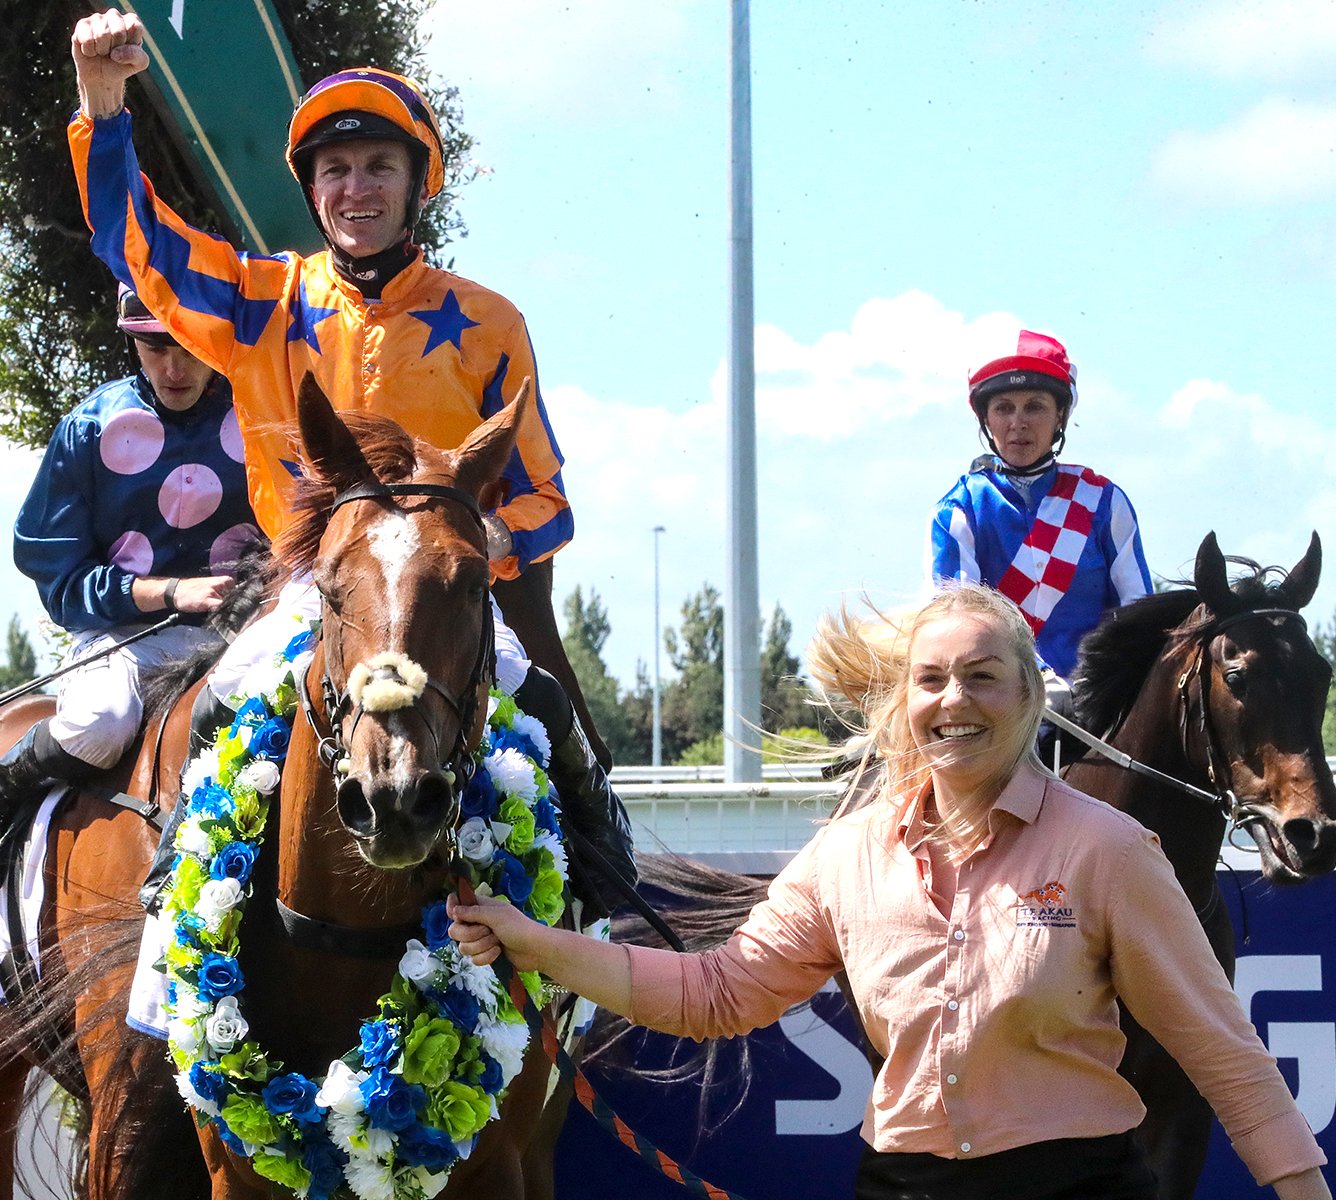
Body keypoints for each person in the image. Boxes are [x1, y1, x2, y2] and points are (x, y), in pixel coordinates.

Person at [448, 584, 1331, 1200]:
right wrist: (531, 941)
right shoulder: (846, 857)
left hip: (1077, 1185)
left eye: (984, 675)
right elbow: (716, 993)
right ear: (904, 701)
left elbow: (1227, 1056)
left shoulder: (1110, 850)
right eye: (932, 678)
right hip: (901, 1186)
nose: (957, 700)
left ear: (1029, 697)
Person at [66, 9, 636, 920]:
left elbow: (548, 500)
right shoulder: (263, 301)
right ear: (312, 189)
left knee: (554, 716)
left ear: (418, 188)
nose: (355, 188)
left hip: (451, 598)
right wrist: (104, 109)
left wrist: (491, 535)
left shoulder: (490, 322)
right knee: (221, 699)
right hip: (315, 590)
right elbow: (140, 245)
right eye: (335, 170)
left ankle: (614, 892)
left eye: (380, 167)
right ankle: (175, 898)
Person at [0, 288, 260, 892]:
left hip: (240, 634)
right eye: (154, 347)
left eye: (188, 346)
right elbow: (61, 577)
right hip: (124, 634)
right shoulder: (89, 427)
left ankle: (188, 848)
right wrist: (170, 593)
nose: (173, 368)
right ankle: (5, 781)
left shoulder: (261, 416)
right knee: (103, 722)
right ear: (131, 341)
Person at [928, 329, 1151, 684]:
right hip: (1001, 698)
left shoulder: (1104, 502)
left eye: (1035, 406)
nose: (1019, 423)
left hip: (1098, 699)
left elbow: (1140, 613)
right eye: (1004, 408)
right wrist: (1038, 677)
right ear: (986, 420)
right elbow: (962, 621)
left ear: (1060, 415)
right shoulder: (959, 510)